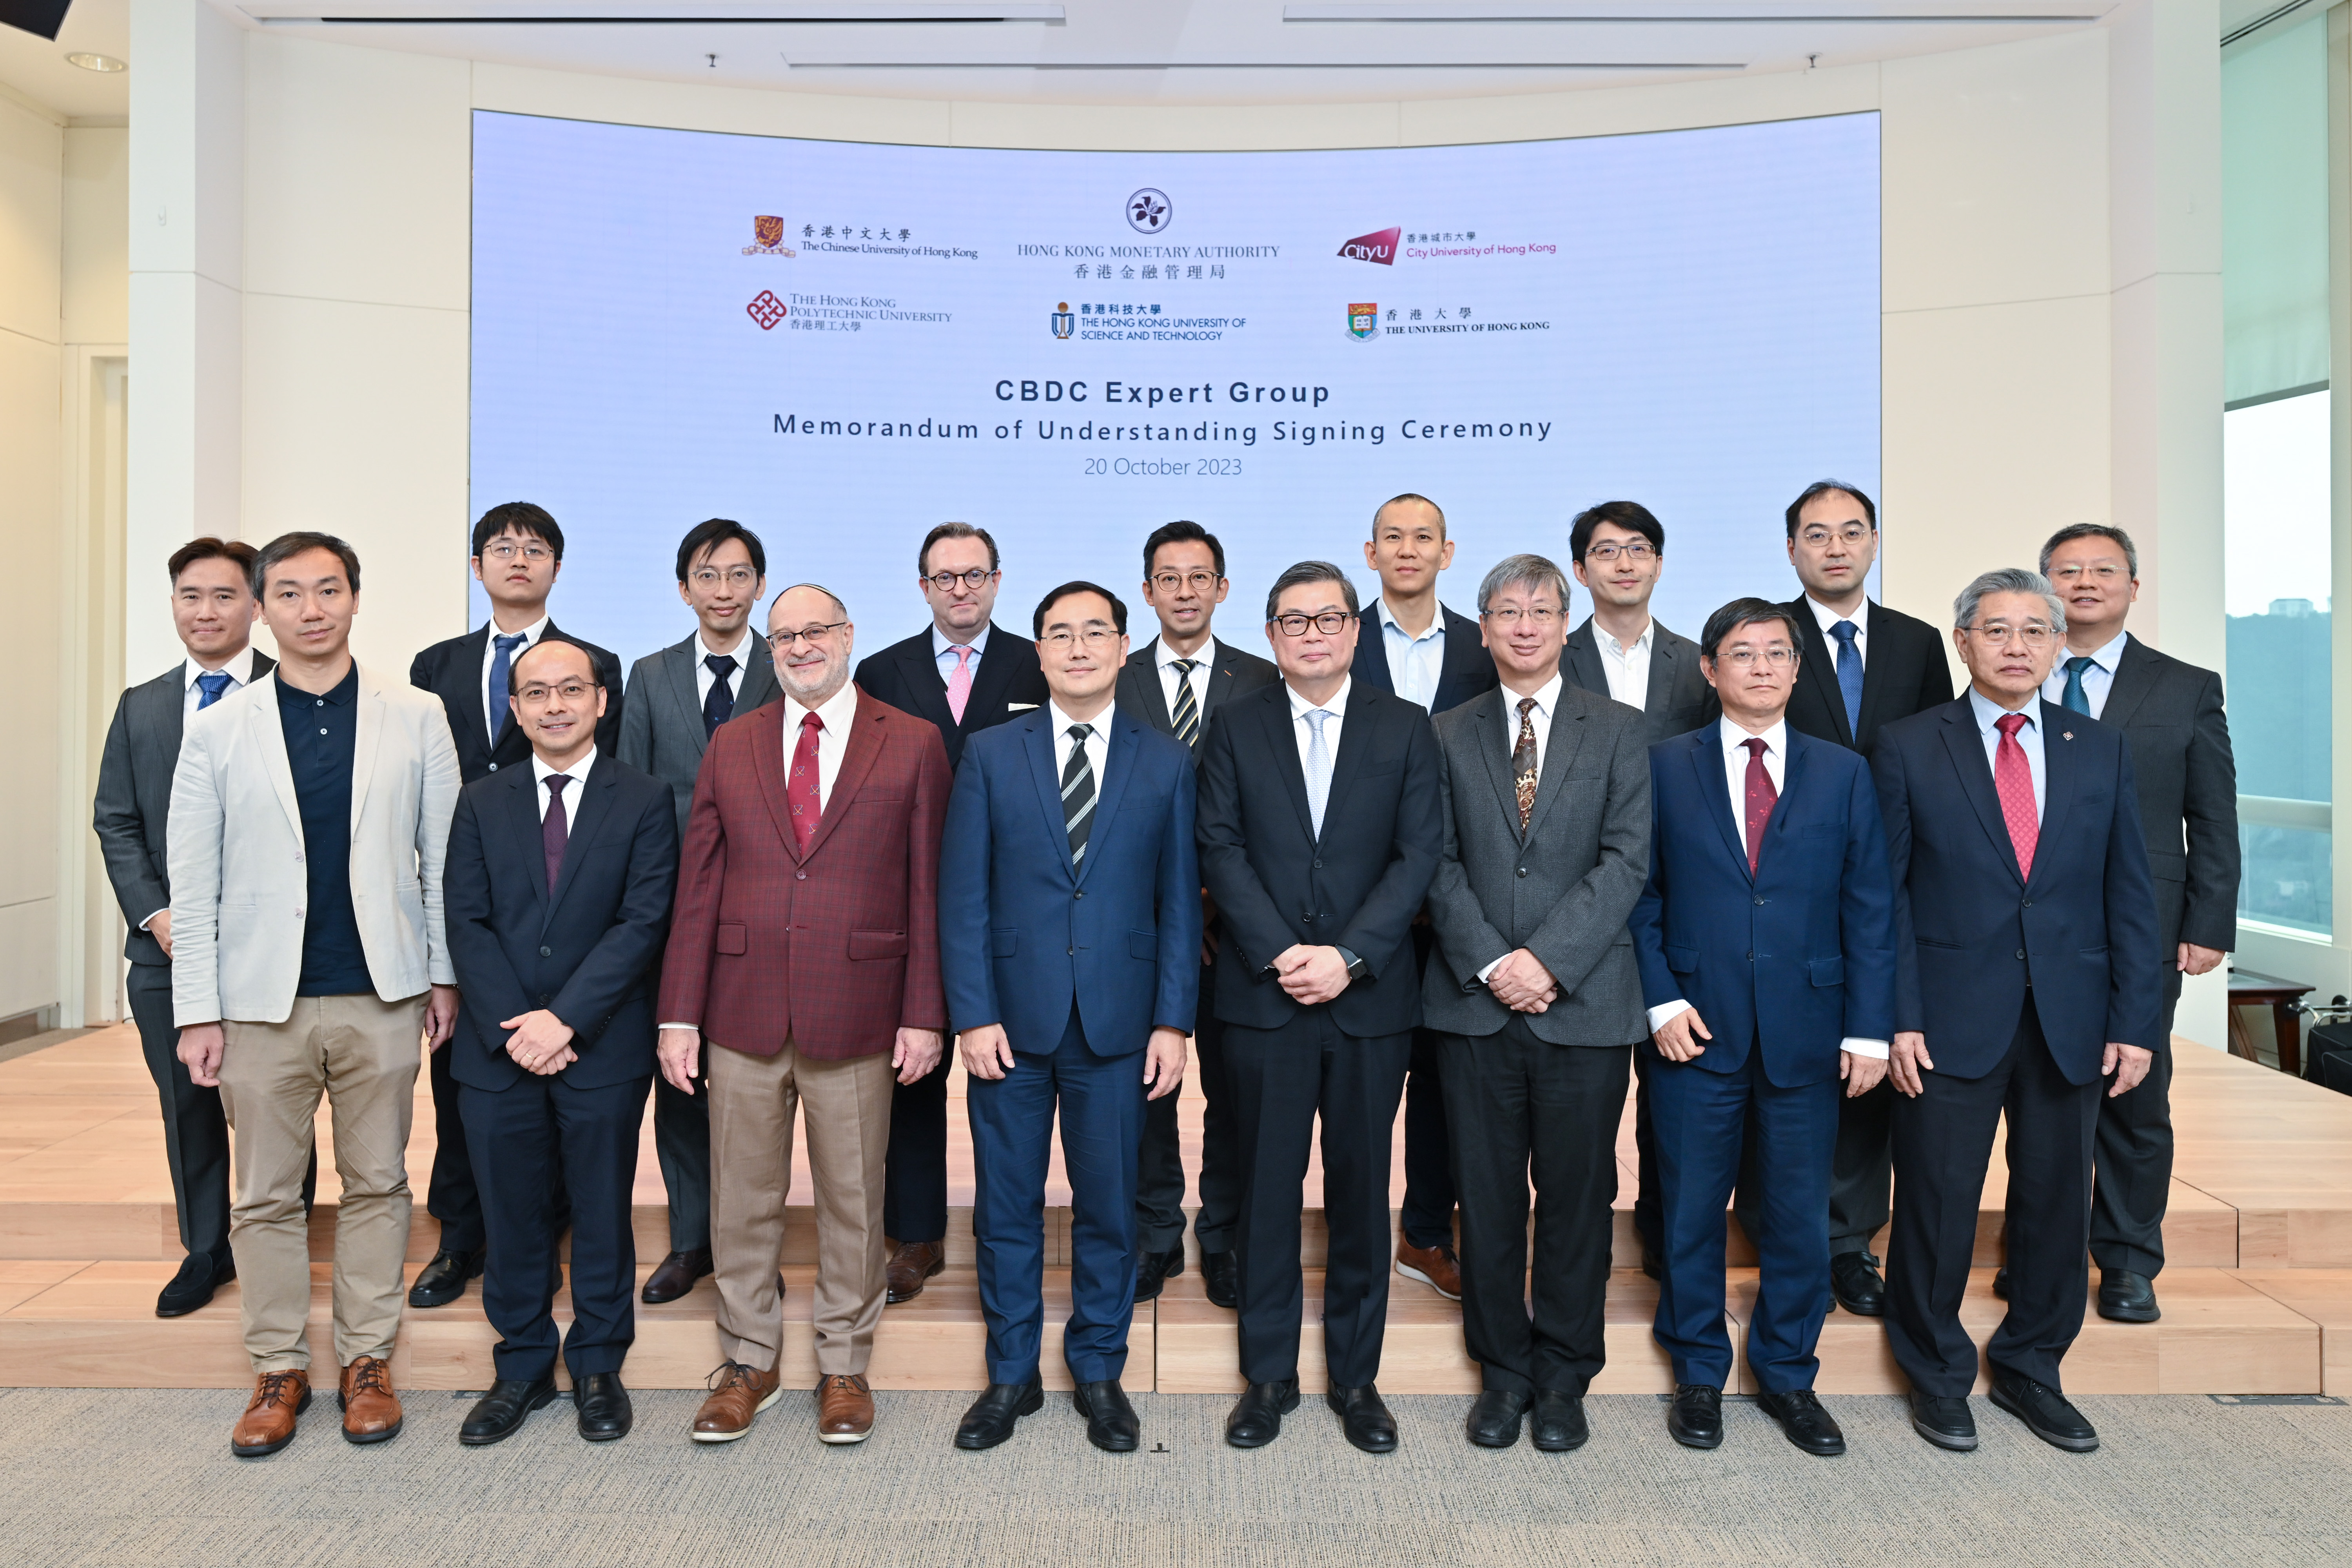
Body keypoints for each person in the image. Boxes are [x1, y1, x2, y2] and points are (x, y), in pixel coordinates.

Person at [168, 531, 461, 1457]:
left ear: (355, 598)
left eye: (327, 589)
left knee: (379, 1182)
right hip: (261, 1001)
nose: (310, 608)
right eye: (288, 592)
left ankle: (367, 1359)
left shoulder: (416, 714)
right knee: (263, 1196)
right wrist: (196, 1008)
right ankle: (279, 1364)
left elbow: (445, 861)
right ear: (262, 607)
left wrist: (444, 972)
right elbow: (196, 878)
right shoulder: (218, 728)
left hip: (381, 990)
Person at [1877, 568, 2162, 1455]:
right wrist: (1896, 1014)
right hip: (1948, 1015)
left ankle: (2035, 1367)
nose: (2016, 646)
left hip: (2071, 1016)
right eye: (1996, 630)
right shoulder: (1909, 743)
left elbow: (2132, 894)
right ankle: (1936, 1374)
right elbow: (1881, 895)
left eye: (2035, 631)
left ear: (2057, 644)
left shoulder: (2097, 746)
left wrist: (2135, 1021)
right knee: (1937, 1201)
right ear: (1963, 642)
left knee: (2053, 1205)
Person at [659, 584, 950, 1447]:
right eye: (784, 634)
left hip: (861, 1008)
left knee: (855, 1200)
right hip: (739, 1006)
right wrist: (678, 1013)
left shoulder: (915, 741)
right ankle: (748, 1360)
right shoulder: (733, 741)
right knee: (741, 1197)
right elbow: (699, 885)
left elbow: (929, 888)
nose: (799, 645)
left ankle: (844, 1362)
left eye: (815, 629)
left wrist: (925, 1011)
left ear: (849, 635)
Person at [1628, 597, 1895, 1458]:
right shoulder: (1662, 765)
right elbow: (1639, 893)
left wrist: (1870, 1028)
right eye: (1743, 654)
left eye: (1779, 653)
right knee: (1692, 1213)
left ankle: (1788, 1372)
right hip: (1693, 1029)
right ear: (1710, 670)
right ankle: (1700, 1369)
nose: (1764, 667)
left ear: (1797, 668)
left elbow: (1870, 907)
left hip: (1810, 1030)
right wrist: (1661, 1000)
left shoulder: (1843, 770)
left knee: (1796, 1215)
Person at [939, 582, 1200, 1452]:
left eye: (1096, 632)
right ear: (1039, 652)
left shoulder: (1163, 758)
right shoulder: (987, 751)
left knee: (1111, 1208)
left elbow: (1178, 905)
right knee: (1005, 1206)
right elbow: (963, 896)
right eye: (1061, 633)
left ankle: (1099, 1366)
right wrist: (971, 1014)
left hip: (1122, 1026)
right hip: (1008, 1025)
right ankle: (1010, 1373)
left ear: (1125, 647)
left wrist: (1174, 1021)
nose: (1079, 646)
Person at [1197, 561, 1444, 1454]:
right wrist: (1280, 952)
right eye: (1294, 620)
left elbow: (1419, 855)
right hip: (1263, 998)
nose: (1312, 633)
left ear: (1353, 630)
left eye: (1329, 618)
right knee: (1265, 1193)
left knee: (1358, 1192)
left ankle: (1356, 1377)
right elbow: (1218, 846)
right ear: (1270, 634)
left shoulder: (1406, 726)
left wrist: (1348, 955)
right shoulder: (1233, 726)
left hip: (1369, 999)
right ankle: (1268, 1375)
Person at [1420, 555, 1650, 1455]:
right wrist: (1492, 962)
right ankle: (1502, 1370)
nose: (1524, 625)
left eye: (1541, 610)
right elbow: (1434, 862)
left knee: (1578, 1195)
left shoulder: (1621, 730)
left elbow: (1627, 860)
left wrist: (1547, 961)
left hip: (1583, 1002)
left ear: (1567, 622)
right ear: (1483, 628)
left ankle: (1563, 1374)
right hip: (1474, 1005)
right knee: (1485, 1195)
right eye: (1507, 611)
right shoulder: (1443, 733)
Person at [441, 637, 677, 1446]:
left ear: (601, 700)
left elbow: (642, 920)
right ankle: (522, 1365)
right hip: (497, 1047)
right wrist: (520, 1025)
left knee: (604, 1208)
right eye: (536, 692)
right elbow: (465, 921)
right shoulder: (481, 799)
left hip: (601, 1046)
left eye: (570, 688)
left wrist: (565, 1019)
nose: (554, 704)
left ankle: (601, 1362)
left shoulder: (644, 798)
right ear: (515, 708)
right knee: (510, 1208)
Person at [2016, 523, 2238, 1325]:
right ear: (2043, 584)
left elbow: (2213, 814)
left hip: (2144, 921)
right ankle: (2041, 1251)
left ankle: (2128, 1256)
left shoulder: (2184, 685)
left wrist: (2209, 919)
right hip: (2032, 920)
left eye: (2102, 570)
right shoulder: (2013, 671)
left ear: (2133, 586)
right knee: (2039, 1082)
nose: (2084, 582)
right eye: (2066, 570)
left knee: (2134, 1088)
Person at [405, 502, 624, 1311]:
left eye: (536, 549)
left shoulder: (598, 662)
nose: (519, 560)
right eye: (503, 548)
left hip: (564, 903)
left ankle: (546, 1234)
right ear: (478, 566)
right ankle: (461, 1239)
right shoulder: (438, 664)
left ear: (558, 567)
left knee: (565, 1119)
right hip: (470, 904)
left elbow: (605, 799)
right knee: (465, 1093)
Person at [94, 537, 309, 1319]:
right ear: (174, 603)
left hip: (268, 948)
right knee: (186, 1102)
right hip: (165, 950)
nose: (206, 611)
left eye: (224, 596)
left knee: (276, 1102)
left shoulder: (297, 695)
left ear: (255, 606)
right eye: (191, 595)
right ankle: (205, 1248)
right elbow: (115, 819)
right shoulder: (141, 705)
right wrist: (157, 915)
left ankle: (277, 1239)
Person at [1763, 479, 1954, 1320]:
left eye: (1850, 532)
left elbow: (1943, 756)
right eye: (1816, 534)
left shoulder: (1915, 642)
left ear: (1874, 542)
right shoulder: (1762, 637)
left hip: (1890, 878)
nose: (1834, 547)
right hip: (1787, 882)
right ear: (1793, 549)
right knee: (1792, 1063)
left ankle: (1849, 1241)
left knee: (1867, 1054)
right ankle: (1788, 1226)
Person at [854, 523, 1051, 1304]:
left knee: (1018, 1064)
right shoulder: (880, 670)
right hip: (905, 893)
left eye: (974, 575)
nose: (960, 588)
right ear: (924, 586)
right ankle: (917, 1231)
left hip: (1017, 900)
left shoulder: (1035, 661)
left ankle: (1012, 1228)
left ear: (998, 581)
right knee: (913, 1068)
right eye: (944, 577)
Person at [1113, 520, 1279, 1309]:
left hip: (1240, 929)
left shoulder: (1263, 679)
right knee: (1148, 1088)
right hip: (1142, 931)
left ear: (1222, 587)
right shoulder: (1113, 675)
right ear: (1147, 591)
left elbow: (1275, 806)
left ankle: (1224, 1233)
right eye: (1168, 578)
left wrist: (1221, 904)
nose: (1184, 591)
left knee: (1237, 1091)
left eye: (1199, 576)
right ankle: (1153, 1233)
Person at [616, 518, 782, 1306]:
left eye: (739, 574)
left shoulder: (789, 668)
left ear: (759, 585)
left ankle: (755, 1240)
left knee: (756, 1080)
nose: (724, 590)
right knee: (680, 1078)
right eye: (708, 576)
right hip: (675, 902)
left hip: (765, 902)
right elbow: (637, 793)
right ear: (684, 588)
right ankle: (693, 1239)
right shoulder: (648, 675)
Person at [1557, 499, 1719, 1278]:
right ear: (1581, 568)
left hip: (1676, 898)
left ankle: (1662, 1240)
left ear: (1658, 562)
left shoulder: (1699, 665)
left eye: (1639, 548)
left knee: (1672, 1084)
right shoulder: (1547, 657)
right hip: (1574, 895)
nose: (1623, 561)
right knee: (1583, 1094)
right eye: (1605, 550)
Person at [1348, 492, 1498, 1304]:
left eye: (1425, 537)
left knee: (1448, 1081)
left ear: (1449, 550)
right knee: (1366, 1080)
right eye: (1393, 537)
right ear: (1370, 553)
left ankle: (1428, 1230)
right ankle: (1361, 1234)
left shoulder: (1488, 645)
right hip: (1358, 904)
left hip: (1463, 902)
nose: (1409, 549)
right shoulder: (1337, 638)